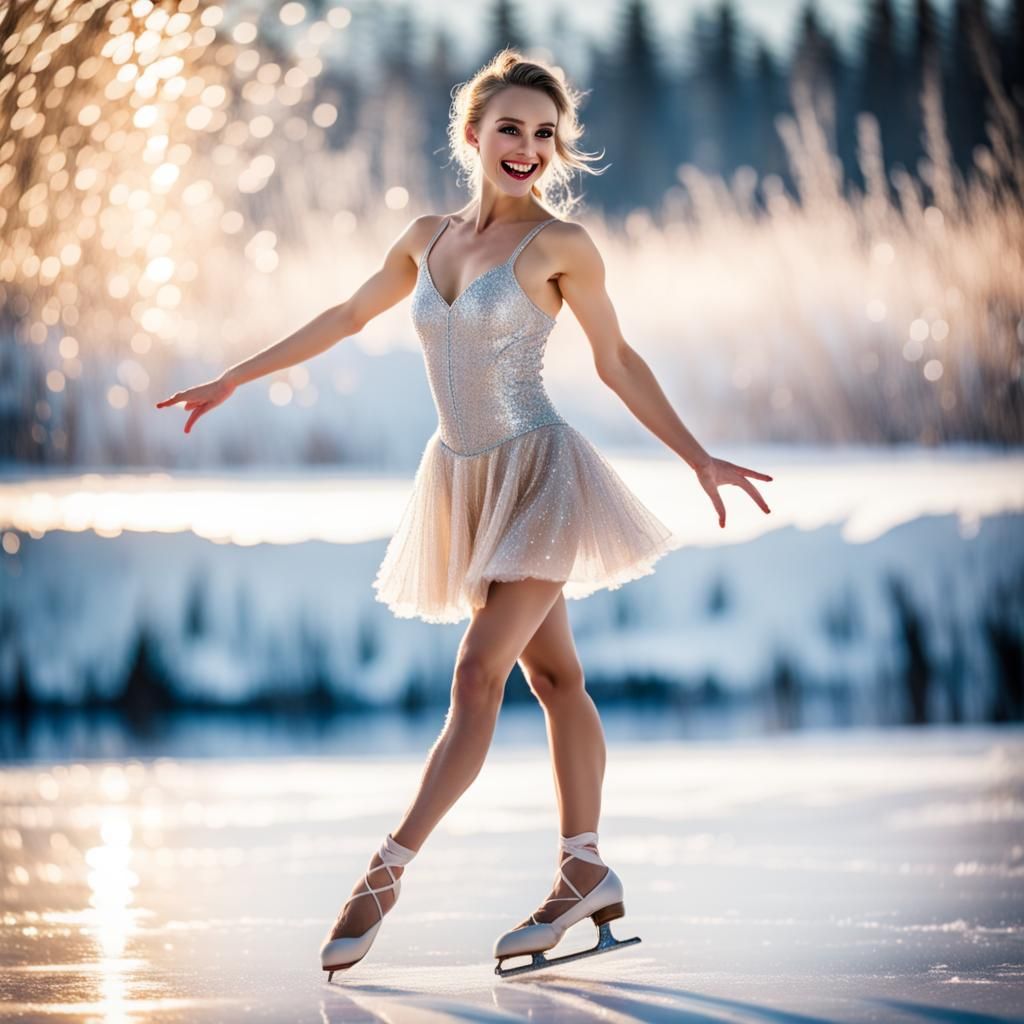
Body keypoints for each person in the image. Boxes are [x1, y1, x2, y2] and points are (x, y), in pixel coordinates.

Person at [156, 48, 773, 978]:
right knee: (555, 678)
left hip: (541, 474)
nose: (527, 147)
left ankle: (384, 872)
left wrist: (699, 457)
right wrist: (234, 378)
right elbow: (346, 314)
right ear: (473, 134)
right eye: (510, 128)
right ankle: (585, 870)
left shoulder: (562, 246)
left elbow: (616, 362)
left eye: (544, 133)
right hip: (464, 483)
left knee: (478, 672)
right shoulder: (425, 237)